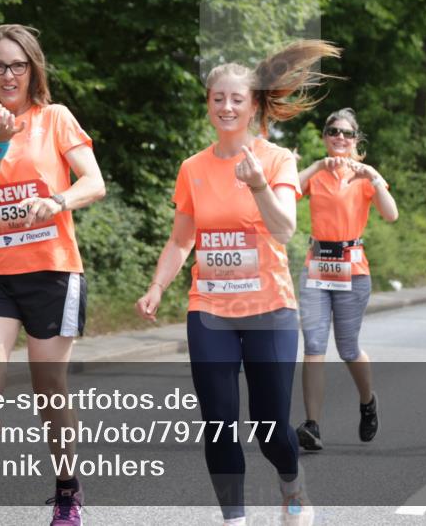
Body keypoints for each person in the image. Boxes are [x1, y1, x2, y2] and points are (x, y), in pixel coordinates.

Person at [136, 40, 341, 526]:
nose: (226, 107)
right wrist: (158, 286)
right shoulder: (193, 168)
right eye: (217, 99)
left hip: (270, 308)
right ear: (208, 104)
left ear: (253, 106)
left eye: (237, 99)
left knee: (270, 430)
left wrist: (257, 185)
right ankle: (234, 518)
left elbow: (285, 228)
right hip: (209, 309)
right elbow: (181, 240)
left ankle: (292, 486)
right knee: (219, 425)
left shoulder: (276, 160)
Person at [0, 25, 106, 526]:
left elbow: (94, 182)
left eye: (17, 65)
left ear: (33, 69)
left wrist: (56, 201)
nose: (7, 75)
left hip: (53, 271)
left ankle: (67, 492)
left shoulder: (55, 118)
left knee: (48, 387)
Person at [293, 108, 398, 453]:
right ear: (325, 136)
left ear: (356, 140)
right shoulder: (318, 174)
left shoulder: (365, 176)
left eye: (347, 133)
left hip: (353, 270)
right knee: (313, 347)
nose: (340, 137)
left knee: (348, 348)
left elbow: (391, 213)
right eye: (333, 131)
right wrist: (317, 166)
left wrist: (374, 176)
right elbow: (290, 189)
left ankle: (368, 401)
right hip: (317, 267)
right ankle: (312, 425)